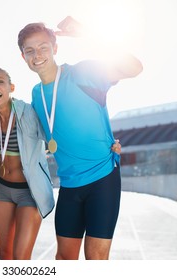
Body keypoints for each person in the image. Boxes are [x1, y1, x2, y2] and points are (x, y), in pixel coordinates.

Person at [18, 16, 142, 260]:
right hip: (69, 185)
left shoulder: (84, 72)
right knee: (64, 258)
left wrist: (90, 33)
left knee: (95, 258)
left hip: (102, 179)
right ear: (23, 57)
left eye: (43, 47)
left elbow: (134, 68)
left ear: (55, 48)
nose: (37, 55)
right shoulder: (35, 94)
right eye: (29, 50)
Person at [0, 67, 55, 259]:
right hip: (3, 189)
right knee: (4, 254)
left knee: (21, 257)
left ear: (11, 87)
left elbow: (53, 131)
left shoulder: (28, 112)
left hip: (29, 192)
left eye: (0, 82)